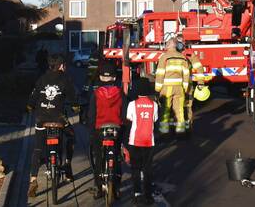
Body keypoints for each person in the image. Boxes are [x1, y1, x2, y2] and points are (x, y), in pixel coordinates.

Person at [26, 53, 78, 198]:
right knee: (72, 137)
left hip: (42, 119)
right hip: (59, 119)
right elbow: (73, 98)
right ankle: (67, 165)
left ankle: (33, 180)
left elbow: (32, 98)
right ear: (61, 66)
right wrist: (76, 107)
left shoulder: (42, 79)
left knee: (37, 148)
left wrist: (30, 107)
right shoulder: (65, 79)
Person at [86, 59, 124, 200]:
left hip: (99, 130)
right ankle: (117, 187)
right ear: (114, 77)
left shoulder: (96, 94)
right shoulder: (120, 93)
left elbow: (91, 115)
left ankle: (98, 187)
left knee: (98, 156)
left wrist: (91, 131)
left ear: (101, 77)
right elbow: (125, 114)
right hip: (116, 129)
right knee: (117, 157)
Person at [125, 76, 159, 204]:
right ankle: (148, 195)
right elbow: (154, 120)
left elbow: (129, 119)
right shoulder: (154, 105)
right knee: (147, 168)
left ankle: (137, 193)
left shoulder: (132, 104)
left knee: (135, 168)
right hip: (149, 141)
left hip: (135, 141)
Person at [154, 36, 191, 135]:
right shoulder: (183, 57)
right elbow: (186, 74)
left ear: (169, 45)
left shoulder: (164, 57)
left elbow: (160, 74)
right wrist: (185, 88)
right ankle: (181, 131)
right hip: (179, 88)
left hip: (167, 88)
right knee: (179, 110)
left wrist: (157, 89)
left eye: (166, 43)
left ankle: (164, 132)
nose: (165, 45)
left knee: (165, 110)